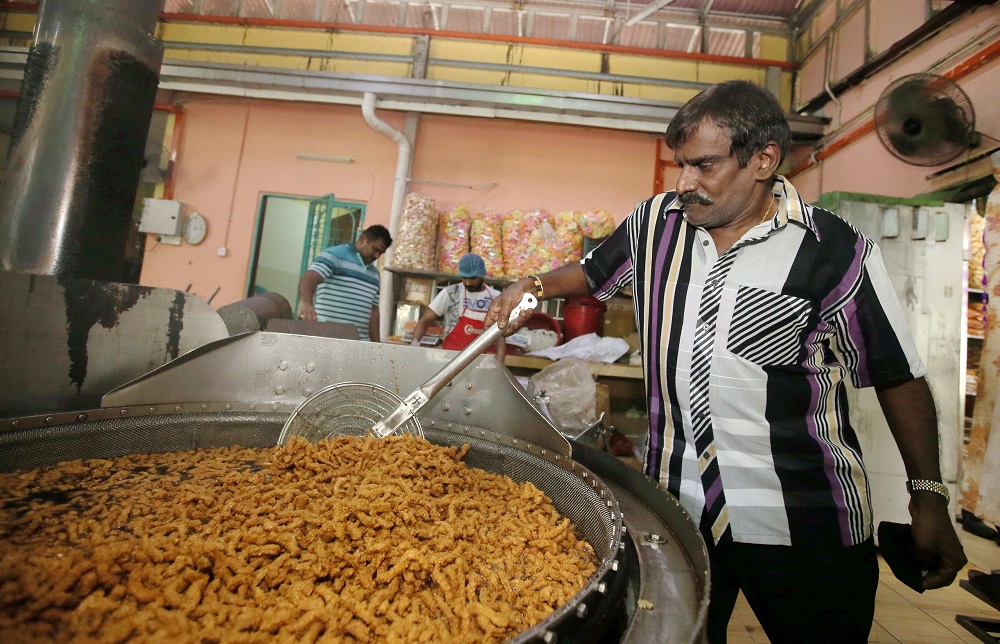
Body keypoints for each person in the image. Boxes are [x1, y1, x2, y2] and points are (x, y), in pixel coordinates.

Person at [485, 80, 967, 642]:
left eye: (704, 166)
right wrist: (534, 283)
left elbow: (898, 377)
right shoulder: (655, 224)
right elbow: (593, 273)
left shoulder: (836, 250)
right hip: (679, 510)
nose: (685, 183)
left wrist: (928, 495)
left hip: (804, 519)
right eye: (680, 165)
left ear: (763, 159)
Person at [296, 225, 392, 342]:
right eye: (375, 249)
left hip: (358, 343)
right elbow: (310, 277)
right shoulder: (335, 255)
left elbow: (373, 311)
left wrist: (376, 344)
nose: (377, 256)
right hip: (326, 338)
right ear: (363, 240)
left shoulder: (375, 275)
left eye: (381, 253)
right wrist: (306, 303)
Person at [410, 253, 506, 360]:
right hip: (451, 360)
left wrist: (500, 363)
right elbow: (425, 321)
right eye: (464, 278)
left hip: (483, 360)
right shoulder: (451, 293)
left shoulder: (495, 297)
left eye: (473, 278)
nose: (468, 283)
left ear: (481, 275)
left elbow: (500, 334)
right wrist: (414, 346)